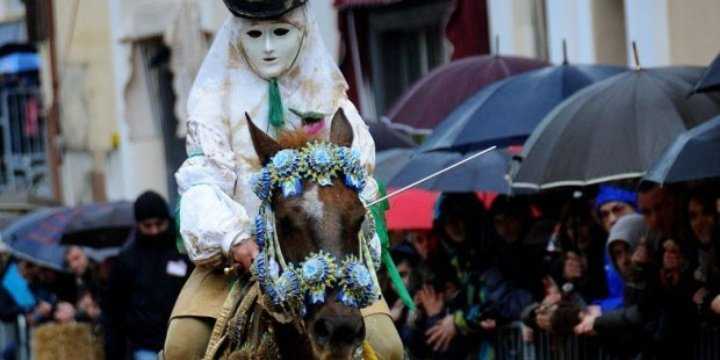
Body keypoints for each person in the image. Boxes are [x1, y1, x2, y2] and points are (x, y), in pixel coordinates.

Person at [165, 1, 402, 359]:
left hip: (333, 262)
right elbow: (201, 183)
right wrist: (234, 239)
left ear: (303, 31)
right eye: (255, 35)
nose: (268, 48)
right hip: (235, 261)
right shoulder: (211, 101)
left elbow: (361, 179)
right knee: (183, 345)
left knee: (389, 349)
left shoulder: (334, 100)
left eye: (280, 33)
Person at [103, 191, 192, 360]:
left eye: (159, 224)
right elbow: (114, 310)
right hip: (144, 346)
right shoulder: (127, 259)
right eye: (148, 226)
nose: (154, 231)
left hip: (182, 340)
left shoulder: (183, 252)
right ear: (138, 225)